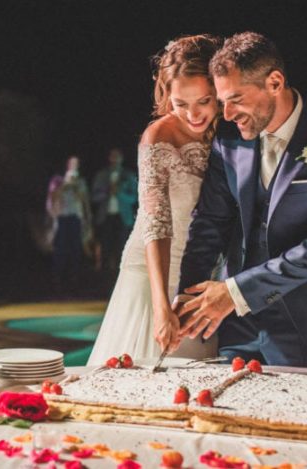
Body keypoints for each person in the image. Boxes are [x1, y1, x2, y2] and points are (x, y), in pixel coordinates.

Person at [175, 32, 307, 370]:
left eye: (236, 98)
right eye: (222, 102)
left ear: (275, 82)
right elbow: (210, 222)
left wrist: (234, 293)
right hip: (237, 326)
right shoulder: (229, 143)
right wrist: (188, 301)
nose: (227, 113)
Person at [87, 34, 222, 365]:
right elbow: (156, 222)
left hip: (203, 276)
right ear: (167, 96)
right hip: (152, 275)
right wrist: (161, 304)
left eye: (204, 101)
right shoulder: (157, 137)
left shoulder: (229, 131)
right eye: (180, 104)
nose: (193, 115)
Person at [46, 156, 92, 292]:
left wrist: (76, 186)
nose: (74, 165)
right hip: (62, 217)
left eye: (76, 163)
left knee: (75, 248)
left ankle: (74, 277)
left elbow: (84, 200)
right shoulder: (57, 180)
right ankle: (58, 278)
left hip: (76, 217)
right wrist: (65, 184)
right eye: (71, 163)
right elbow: (53, 196)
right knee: (60, 248)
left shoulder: (81, 181)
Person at [90, 148, 138, 273]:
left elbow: (134, 198)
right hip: (106, 217)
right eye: (113, 156)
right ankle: (103, 277)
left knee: (121, 248)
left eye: (118, 156)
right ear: (109, 158)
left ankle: (120, 277)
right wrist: (107, 192)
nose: (115, 159)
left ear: (121, 159)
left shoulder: (128, 175)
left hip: (122, 218)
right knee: (105, 247)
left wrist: (120, 193)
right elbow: (94, 196)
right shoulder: (102, 175)